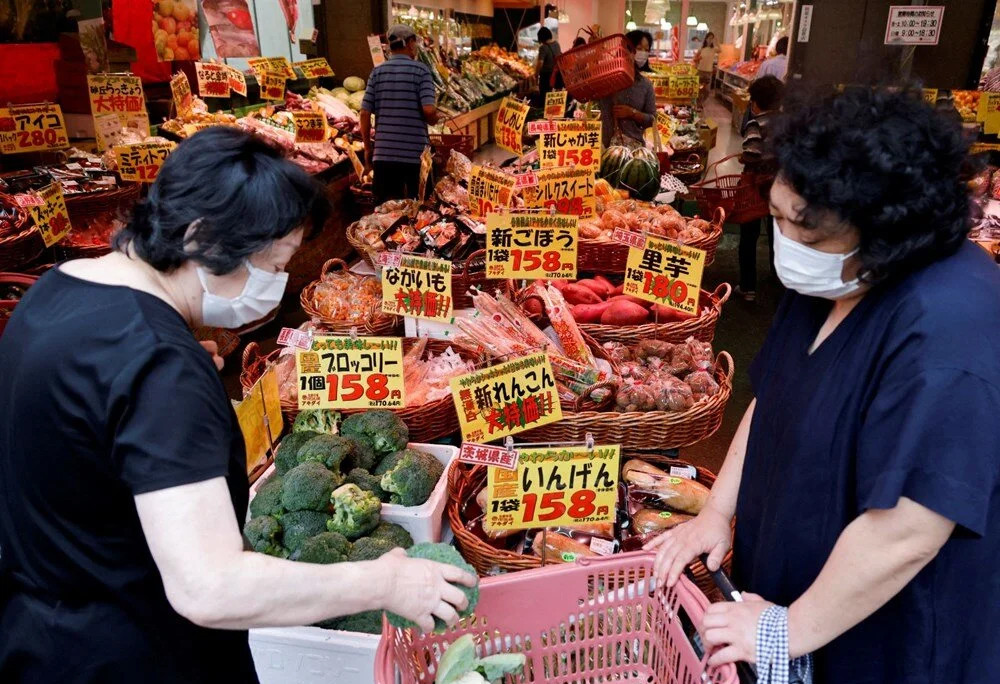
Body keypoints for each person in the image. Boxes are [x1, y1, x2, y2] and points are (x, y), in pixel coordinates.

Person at [0, 128, 476, 684]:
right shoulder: (158, 366)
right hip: (131, 654)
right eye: (273, 266)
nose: (276, 285)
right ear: (202, 237)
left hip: (38, 634)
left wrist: (159, 379)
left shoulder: (58, 290)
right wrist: (383, 583)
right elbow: (209, 586)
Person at [649, 86, 1000, 683]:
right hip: (795, 589)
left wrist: (790, 628)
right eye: (779, 218)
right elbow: (773, 396)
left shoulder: (949, 331)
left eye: (804, 230)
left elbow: (910, 529)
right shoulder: (834, 277)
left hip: (887, 631)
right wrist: (718, 511)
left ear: (883, 231)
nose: (786, 243)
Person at [360, 24, 438, 204]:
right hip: (414, 157)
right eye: (415, 43)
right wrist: (435, 118)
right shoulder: (421, 71)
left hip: (383, 156)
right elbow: (429, 110)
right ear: (410, 43)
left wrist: (367, 149)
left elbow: (364, 113)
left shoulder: (377, 72)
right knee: (419, 212)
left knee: (383, 215)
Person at [736, 75, 785, 301]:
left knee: (749, 236)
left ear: (754, 102)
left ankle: (748, 288)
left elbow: (752, 154)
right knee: (778, 234)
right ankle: (779, 278)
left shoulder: (755, 124)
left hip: (755, 188)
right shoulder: (786, 123)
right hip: (780, 188)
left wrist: (742, 158)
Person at [598, 30, 656, 147]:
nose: (643, 53)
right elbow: (590, 92)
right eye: (639, 48)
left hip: (634, 148)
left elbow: (652, 119)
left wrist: (632, 113)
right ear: (625, 49)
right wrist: (595, 53)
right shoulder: (608, 79)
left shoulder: (645, 85)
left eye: (646, 50)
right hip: (607, 146)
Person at [535, 26, 562, 101]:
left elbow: (540, 62)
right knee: (554, 98)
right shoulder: (557, 44)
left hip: (546, 77)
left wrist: (536, 74)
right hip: (557, 75)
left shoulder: (543, 48)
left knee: (545, 98)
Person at [694, 31, 720, 104]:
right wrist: (697, 60)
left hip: (708, 72)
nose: (710, 40)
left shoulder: (713, 49)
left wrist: (717, 41)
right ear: (706, 39)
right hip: (700, 71)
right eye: (709, 38)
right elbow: (694, 58)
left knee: (707, 91)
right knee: (699, 89)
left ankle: (701, 102)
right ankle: (698, 103)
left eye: (712, 38)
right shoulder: (702, 49)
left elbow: (720, 50)